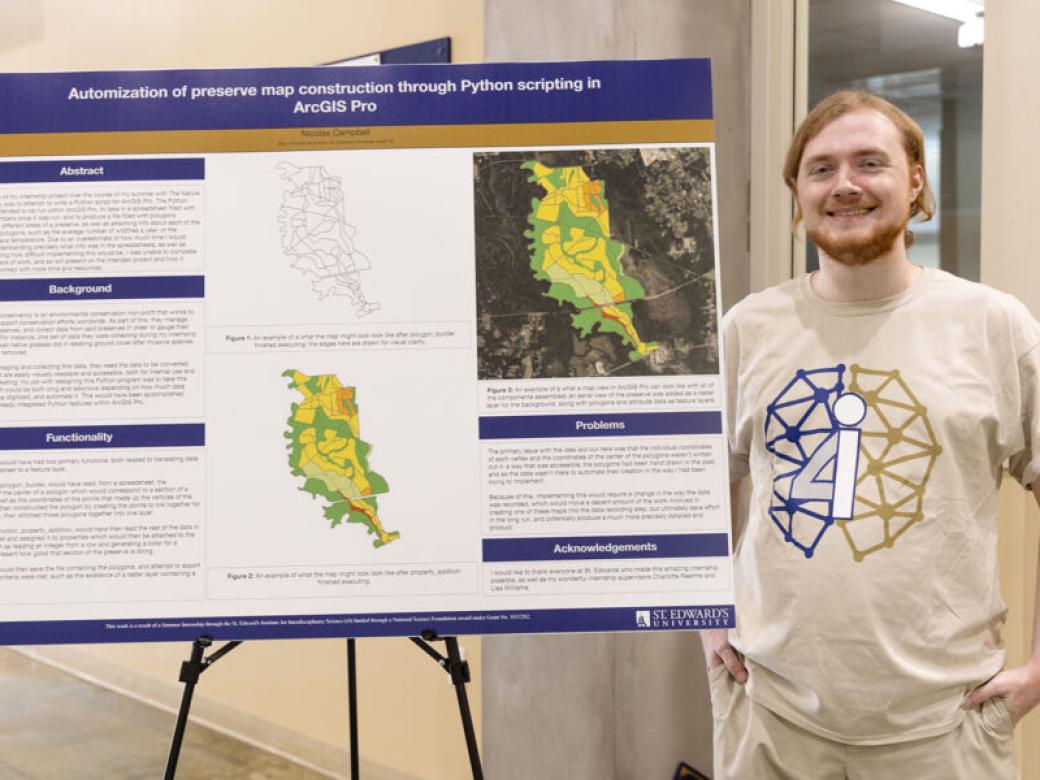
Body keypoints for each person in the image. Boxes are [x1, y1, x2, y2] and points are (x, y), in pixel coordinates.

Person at [702, 90, 1040, 778]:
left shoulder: (992, 326)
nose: (845, 185)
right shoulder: (749, 329)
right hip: (771, 718)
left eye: (869, 163)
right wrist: (708, 626)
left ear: (915, 180)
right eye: (820, 169)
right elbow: (699, 487)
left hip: (945, 727)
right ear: (797, 192)